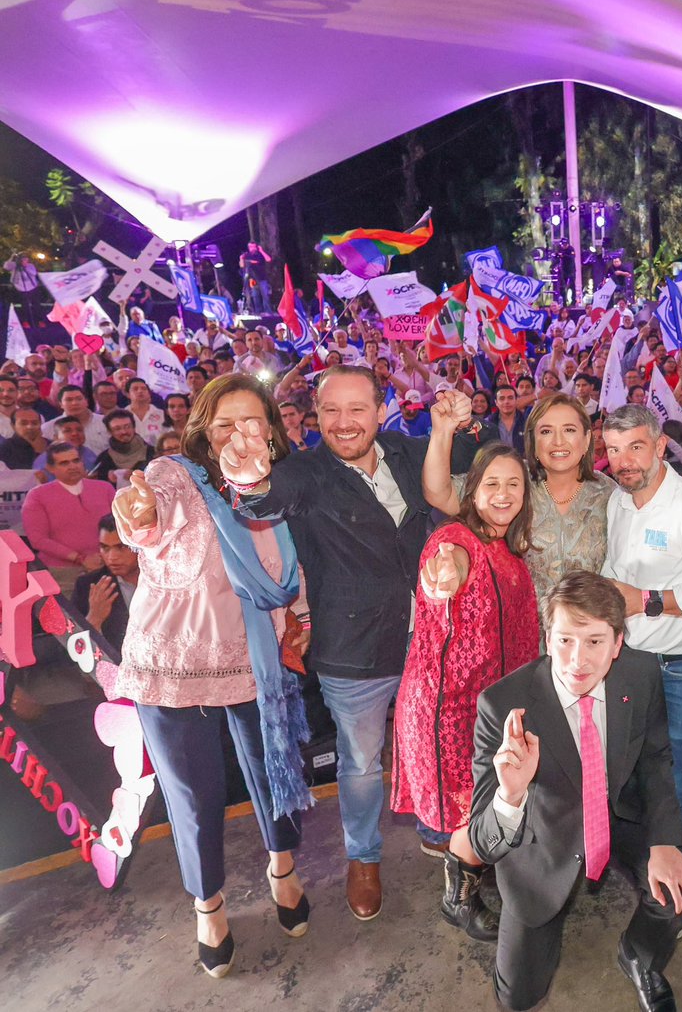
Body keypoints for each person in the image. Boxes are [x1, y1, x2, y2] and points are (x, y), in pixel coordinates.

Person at [219, 365, 485, 921]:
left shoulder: (410, 453)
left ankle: (440, 823)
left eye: (357, 409)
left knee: (436, 741)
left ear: (381, 409)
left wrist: (461, 422)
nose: (344, 423)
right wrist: (248, 479)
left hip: (429, 640)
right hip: (352, 651)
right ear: (315, 414)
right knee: (361, 764)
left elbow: (477, 472)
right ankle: (363, 859)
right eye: (331, 411)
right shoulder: (307, 472)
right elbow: (265, 498)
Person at [111, 374, 312, 978]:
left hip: (254, 659)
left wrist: (300, 624)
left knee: (277, 772)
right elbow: (147, 519)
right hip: (171, 665)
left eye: (254, 423)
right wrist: (138, 515)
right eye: (226, 425)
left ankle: (283, 869)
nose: (241, 436)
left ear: (273, 432)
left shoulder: (286, 485)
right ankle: (209, 905)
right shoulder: (176, 476)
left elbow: (296, 570)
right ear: (202, 431)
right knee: (194, 797)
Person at [468, 571, 682, 1012]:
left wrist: (664, 840)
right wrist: (510, 796)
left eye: (595, 641)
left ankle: (640, 957)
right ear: (547, 638)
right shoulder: (502, 705)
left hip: (615, 811)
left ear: (617, 644)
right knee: (518, 998)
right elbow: (482, 839)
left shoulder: (642, 673)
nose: (578, 660)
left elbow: (655, 759)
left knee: (679, 889)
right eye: (565, 640)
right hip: (542, 838)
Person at [392, 441, 540, 939]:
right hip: (448, 707)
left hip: (491, 705)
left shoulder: (508, 547)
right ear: (471, 491)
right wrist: (443, 576)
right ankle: (459, 900)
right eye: (492, 484)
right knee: (466, 808)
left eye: (514, 484)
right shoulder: (455, 539)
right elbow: (444, 565)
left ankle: (476, 877)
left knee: (486, 798)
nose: (503, 494)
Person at [601, 404, 682, 873]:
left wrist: (646, 600)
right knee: (637, 771)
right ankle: (652, 866)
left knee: (679, 781)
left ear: (660, 446)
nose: (624, 461)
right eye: (614, 450)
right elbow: (614, 572)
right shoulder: (619, 498)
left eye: (636, 447)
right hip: (632, 660)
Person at [425, 393, 613, 605]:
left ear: (587, 439)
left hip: (587, 632)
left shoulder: (609, 493)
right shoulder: (514, 478)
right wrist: (442, 432)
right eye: (546, 431)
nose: (558, 441)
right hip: (524, 631)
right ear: (533, 440)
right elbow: (440, 494)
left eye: (569, 430)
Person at [21, 442, 115, 576]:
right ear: (50, 468)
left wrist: (106, 556)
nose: (72, 466)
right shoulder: (37, 496)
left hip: (107, 566)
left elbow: (120, 527)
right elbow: (38, 540)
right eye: (64, 463)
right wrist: (80, 558)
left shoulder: (105, 488)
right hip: (61, 573)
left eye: (76, 461)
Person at [71, 513, 138, 650]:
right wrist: (94, 618)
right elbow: (72, 649)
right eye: (105, 548)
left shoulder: (168, 582)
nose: (112, 557)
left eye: (121, 547)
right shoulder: (88, 586)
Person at [90, 409, 151, 484]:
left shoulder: (152, 453)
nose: (124, 432)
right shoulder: (104, 459)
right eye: (117, 429)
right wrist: (107, 478)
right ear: (110, 432)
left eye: (127, 426)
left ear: (134, 427)